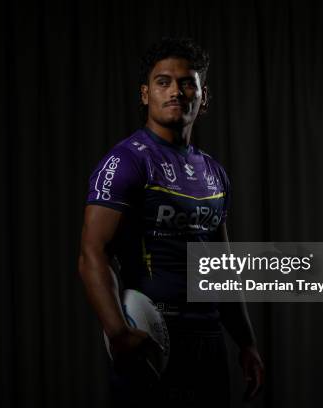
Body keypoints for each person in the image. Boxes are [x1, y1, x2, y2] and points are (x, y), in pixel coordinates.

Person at [78, 37, 264, 407]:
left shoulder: (213, 172)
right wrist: (118, 334)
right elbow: (91, 253)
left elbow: (221, 267)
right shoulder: (127, 161)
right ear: (146, 94)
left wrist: (246, 343)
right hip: (151, 335)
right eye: (163, 82)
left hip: (208, 339)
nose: (175, 91)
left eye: (187, 82)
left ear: (203, 96)